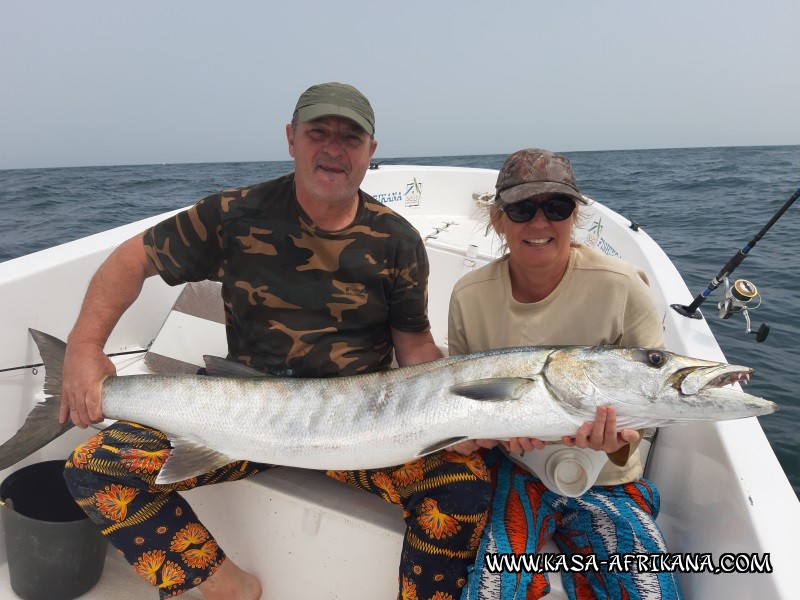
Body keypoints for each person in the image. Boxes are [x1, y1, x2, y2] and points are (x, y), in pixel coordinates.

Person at [60, 82, 491, 599]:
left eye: (350, 138)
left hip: (363, 431)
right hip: (237, 419)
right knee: (93, 469)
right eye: (318, 132)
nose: (333, 148)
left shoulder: (396, 239)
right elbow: (133, 259)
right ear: (291, 139)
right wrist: (84, 349)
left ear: (370, 152)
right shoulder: (235, 214)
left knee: (464, 486)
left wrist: (452, 416)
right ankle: (226, 586)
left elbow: (415, 345)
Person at [447, 149, 683, 600]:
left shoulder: (624, 287)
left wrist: (618, 442)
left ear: (576, 215)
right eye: (522, 209)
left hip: (607, 480)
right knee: (493, 590)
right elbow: (466, 403)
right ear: (498, 220)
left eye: (557, 208)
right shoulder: (468, 297)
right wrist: (494, 435)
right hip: (517, 471)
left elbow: (651, 404)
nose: (540, 224)